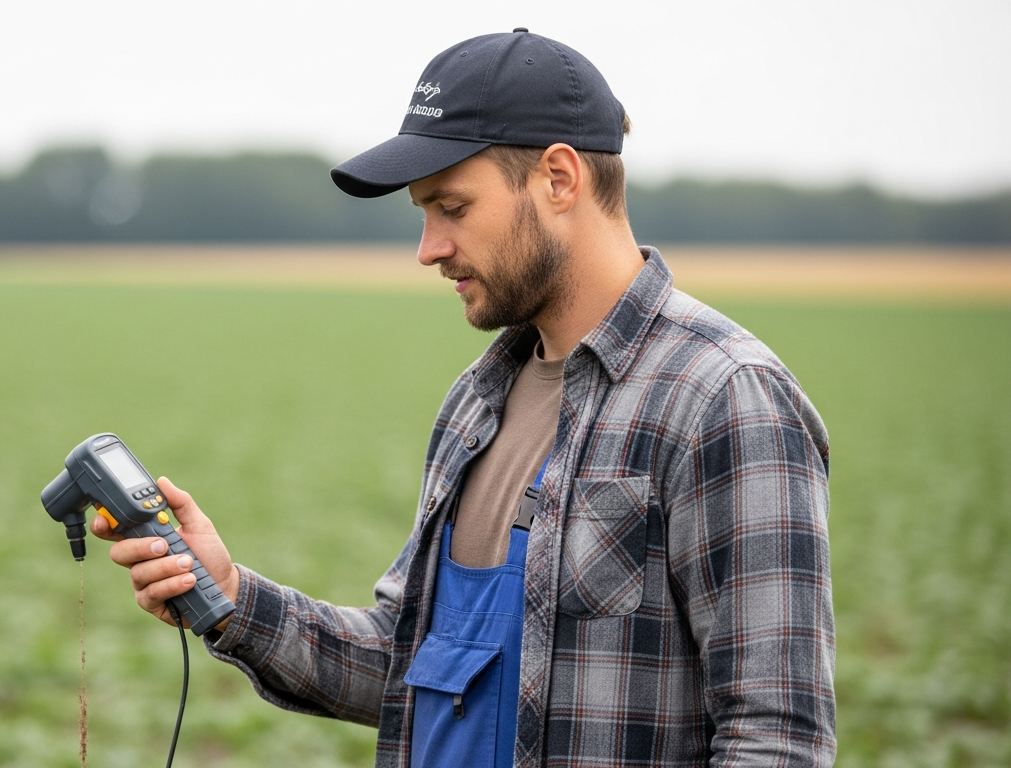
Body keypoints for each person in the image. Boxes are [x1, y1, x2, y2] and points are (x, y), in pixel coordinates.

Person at [91, 29, 836, 767]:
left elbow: (776, 737)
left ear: (559, 178)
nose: (428, 248)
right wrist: (229, 595)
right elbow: (408, 660)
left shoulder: (724, 398)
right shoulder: (477, 403)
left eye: (452, 207)